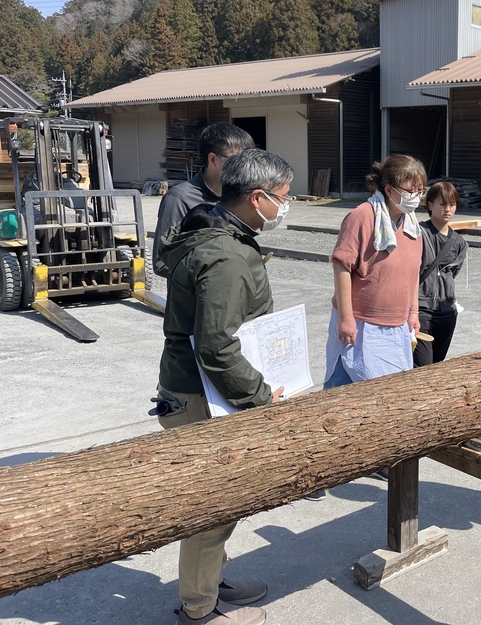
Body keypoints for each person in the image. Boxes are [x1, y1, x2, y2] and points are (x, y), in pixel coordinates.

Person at [153, 148, 293, 625]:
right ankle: (198, 609)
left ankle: (214, 580)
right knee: (210, 509)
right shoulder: (227, 256)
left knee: (225, 500)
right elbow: (216, 347)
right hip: (202, 395)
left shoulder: (214, 228)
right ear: (256, 198)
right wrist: (259, 396)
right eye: (282, 198)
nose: (284, 207)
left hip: (199, 389)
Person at [324, 154, 427, 390]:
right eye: (412, 190)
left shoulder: (412, 225)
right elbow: (342, 266)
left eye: (420, 190)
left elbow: (413, 272)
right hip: (360, 324)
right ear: (389, 190)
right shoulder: (362, 216)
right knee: (344, 388)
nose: (416, 197)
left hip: (397, 325)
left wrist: (413, 312)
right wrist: (346, 318)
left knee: (388, 394)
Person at [153, 123, 255, 278]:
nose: (244, 168)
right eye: (237, 161)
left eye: (247, 161)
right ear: (213, 160)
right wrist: (218, 270)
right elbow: (162, 262)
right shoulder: (180, 198)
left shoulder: (240, 196)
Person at [414, 181, 469, 367]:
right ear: (430, 205)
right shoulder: (418, 233)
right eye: (442, 204)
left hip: (446, 311)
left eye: (452, 204)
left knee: (438, 366)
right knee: (422, 367)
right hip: (420, 311)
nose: (448, 209)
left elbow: (452, 274)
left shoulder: (460, 242)